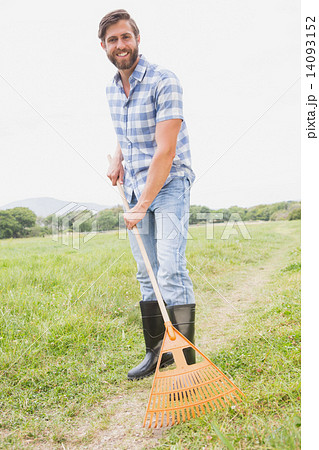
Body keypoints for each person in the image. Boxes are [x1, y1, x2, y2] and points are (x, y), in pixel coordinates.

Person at [99, 9, 196, 380]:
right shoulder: (111, 88)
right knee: (146, 273)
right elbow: (127, 133)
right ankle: (157, 354)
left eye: (126, 37)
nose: (120, 45)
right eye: (112, 40)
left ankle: (186, 359)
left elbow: (165, 152)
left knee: (170, 270)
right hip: (136, 184)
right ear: (104, 46)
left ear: (137, 39)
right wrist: (119, 159)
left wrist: (140, 206)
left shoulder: (163, 80)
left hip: (170, 183)